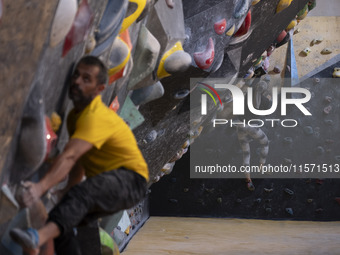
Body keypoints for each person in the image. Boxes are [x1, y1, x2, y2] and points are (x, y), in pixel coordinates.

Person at [10, 56, 149, 254]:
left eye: (86, 79)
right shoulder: (75, 117)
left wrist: (40, 188)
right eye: (76, 75)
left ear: (100, 89)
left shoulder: (95, 117)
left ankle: (36, 237)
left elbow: (69, 157)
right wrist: (65, 190)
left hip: (130, 180)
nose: (76, 81)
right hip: (109, 183)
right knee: (64, 221)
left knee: (78, 199)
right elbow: (79, 165)